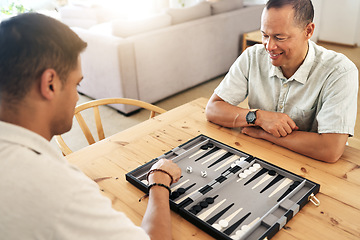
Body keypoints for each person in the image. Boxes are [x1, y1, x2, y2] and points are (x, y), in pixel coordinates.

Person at [0, 13, 181, 240]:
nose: (77, 97)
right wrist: (159, 180)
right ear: (50, 83)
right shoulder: (57, 189)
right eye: (76, 84)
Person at [206, 0, 358, 163]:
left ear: (308, 31)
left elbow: (330, 150)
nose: (269, 46)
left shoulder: (340, 71)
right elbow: (213, 109)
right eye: (264, 35)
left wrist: (263, 133)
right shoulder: (252, 56)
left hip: (310, 166)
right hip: (257, 157)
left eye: (279, 37)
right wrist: (258, 117)